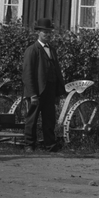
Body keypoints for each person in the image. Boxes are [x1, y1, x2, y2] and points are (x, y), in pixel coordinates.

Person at [21, 18, 66, 152]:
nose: (47, 34)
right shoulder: (32, 50)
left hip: (50, 90)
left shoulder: (52, 50)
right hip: (37, 90)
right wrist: (32, 94)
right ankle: (29, 144)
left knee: (49, 119)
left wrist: (57, 92)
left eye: (49, 32)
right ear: (39, 33)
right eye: (44, 32)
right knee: (32, 119)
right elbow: (27, 74)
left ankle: (50, 144)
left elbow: (56, 71)